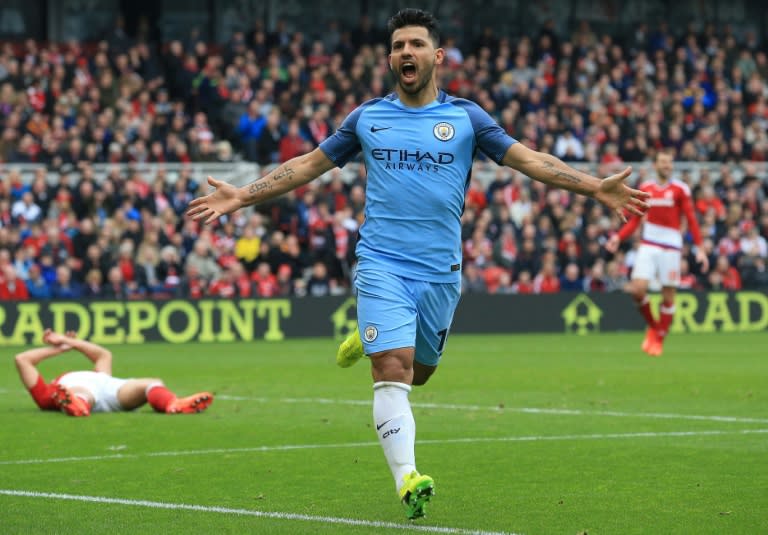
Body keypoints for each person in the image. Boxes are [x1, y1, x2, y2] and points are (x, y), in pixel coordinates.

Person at [187, 8, 648, 520]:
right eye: (399, 45)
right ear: (390, 58)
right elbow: (307, 165)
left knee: (420, 374)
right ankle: (408, 478)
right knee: (392, 370)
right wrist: (242, 196)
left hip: (440, 276)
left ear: (437, 56)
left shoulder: (467, 119)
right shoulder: (367, 118)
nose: (406, 52)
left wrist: (593, 187)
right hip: (381, 263)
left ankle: (362, 337)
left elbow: (531, 159)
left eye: (416, 44)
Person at [605, 151, 709, 356]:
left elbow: (691, 218)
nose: (667, 165)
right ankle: (654, 327)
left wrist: (700, 248)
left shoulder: (681, 189)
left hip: (671, 246)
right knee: (637, 289)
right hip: (649, 243)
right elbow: (635, 219)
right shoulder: (646, 188)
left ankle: (659, 339)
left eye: (669, 162)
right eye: (663, 162)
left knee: (668, 295)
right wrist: (619, 237)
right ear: (656, 165)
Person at [15, 329, 213, 417]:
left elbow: (103, 355)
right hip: (81, 392)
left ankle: (173, 404)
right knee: (78, 392)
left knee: (151, 383)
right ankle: (76, 404)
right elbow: (22, 359)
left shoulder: (96, 374)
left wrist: (69, 344)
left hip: (110, 387)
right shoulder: (46, 394)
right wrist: (58, 348)